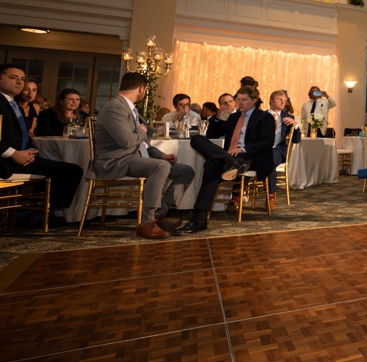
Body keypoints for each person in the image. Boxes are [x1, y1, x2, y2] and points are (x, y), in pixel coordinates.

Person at [92, 72, 196, 239]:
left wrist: (161, 155)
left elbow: (142, 144)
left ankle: (159, 214)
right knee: (160, 167)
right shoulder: (115, 107)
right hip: (115, 160)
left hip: (132, 157)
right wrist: (142, 130)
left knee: (185, 170)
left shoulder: (130, 108)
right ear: (141, 88)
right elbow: (127, 141)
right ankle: (146, 223)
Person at [179, 86, 276, 236]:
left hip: (251, 156)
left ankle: (199, 219)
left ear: (254, 100)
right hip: (232, 157)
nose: (240, 103)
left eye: (244, 100)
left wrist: (243, 149)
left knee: (210, 166)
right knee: (197, 139)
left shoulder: (264, 117)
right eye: (238, 99)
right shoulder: (233, 117)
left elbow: (267, 143)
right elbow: (212, 134)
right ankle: (230, 161)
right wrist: (218, 118)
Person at [0, 65, 84, 211]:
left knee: (70, 170)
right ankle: (42, 213)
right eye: (13, 78)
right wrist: (14, 154)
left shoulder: (14, 105)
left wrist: (30, 151)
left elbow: (22, 136)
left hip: (22, 157)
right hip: (5, 160)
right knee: (70, 171)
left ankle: (31, 210)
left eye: (22, 79)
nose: (20, 82)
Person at [268, 90, 301, 166]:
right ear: (271, 100)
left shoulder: (288, 117)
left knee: (269, 158)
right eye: (279, 99)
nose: (282, 102)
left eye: (284, 101)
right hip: (261, 150)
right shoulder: (261, 116)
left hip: (278, 150)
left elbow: (296, 140)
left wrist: (295, 125)